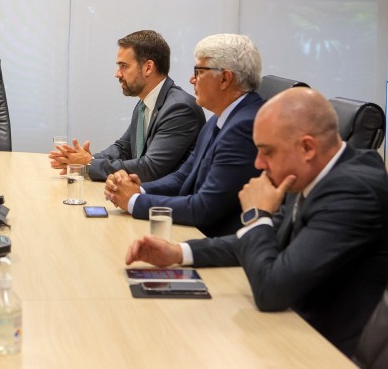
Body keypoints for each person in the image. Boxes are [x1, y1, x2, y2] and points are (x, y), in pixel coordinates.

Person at [125, 88, 388, 355]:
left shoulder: (353, 191)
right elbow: (271, 236)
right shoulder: (318, 175)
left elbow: (271, 291)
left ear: (307, 147)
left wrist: (256, 215)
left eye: (267, 152)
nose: (259, 163)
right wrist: (180, 252)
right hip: (292, 330)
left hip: (325, 351)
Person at [105, 34, 264, 237]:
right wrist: (139, 189)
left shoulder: (245, 127)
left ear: (225, 78)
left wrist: (135, 201)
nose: (192, 79)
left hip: (216, 246)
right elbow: (183, 176)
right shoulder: (218, 119)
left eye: (198, 72)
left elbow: (204, 207)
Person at [50, 30, 205, 182]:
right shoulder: (144, 104)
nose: (117, 74)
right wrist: (83, 160)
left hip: (166, 204)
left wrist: (90, 164)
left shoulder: (180, 108)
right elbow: (123, 148)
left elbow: (151, 168)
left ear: (148, 68)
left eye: (124, 66)